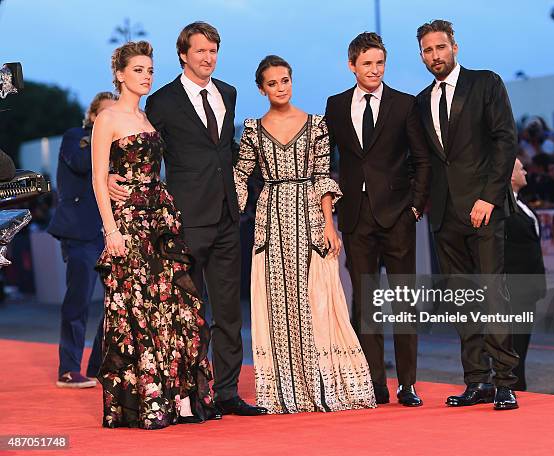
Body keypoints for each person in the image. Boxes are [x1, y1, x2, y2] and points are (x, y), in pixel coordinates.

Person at [107, 22, 265, 417]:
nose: (208, 58)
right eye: (200, 52)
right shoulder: (160, 101)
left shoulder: (227, 92)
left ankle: (227, 392)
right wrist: (111, 173)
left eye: (214, 51)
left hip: (228, 217)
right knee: (188, 313)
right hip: (182, 220)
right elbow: (138, 144)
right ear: (183, 55)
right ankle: (192, 396)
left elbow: (225, 150)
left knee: (229, 312)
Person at [234, 55, 376, 414]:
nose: (280, 88)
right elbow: (240, 175)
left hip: (310, 219)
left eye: (285, 80)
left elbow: (324, 176)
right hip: (270, 222)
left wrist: (330, 224)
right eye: (272, 83)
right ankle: (283, 391)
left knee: (318, 302)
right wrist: (217, 214)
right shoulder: (252, 128)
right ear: (261, 88)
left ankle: (324, 385)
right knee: (276, 305)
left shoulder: (316, 125)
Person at [92, 41, 214, 429]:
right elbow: (98, 178)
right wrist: (110, 230)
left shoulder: (147, 119)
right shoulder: (108, 118)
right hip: (127, 224)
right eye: (138, 70)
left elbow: (154, 171)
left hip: (160, 222)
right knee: (138, 311)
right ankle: (149, 401)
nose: (146, 76)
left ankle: (178, 397)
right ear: (120, 74)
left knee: (174, 307)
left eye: (149, 70)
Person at [415, 19, 520, 410]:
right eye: (427, 50)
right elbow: (425, 160)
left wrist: (490, 197)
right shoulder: (422, 100)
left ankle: (505, 382)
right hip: (444, 214)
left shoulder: (485, 83)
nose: (435, 56)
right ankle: (477, 381)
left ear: (454, 48)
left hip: (484, 208)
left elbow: (505, 139)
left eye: (440, 47)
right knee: (463, 299)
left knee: (493, 293)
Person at [325, 32, 431, 407]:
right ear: (352, 65)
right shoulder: (335, 106)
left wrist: (415, 209)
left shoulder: (405, 104)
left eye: (380, 63)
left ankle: (407, 384)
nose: (374, 70)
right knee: (365, 306)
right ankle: (373, 384)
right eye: (367, 63)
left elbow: (422, 160)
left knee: (404, 303)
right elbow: (325, 161)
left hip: (399, 217)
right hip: (356, 219)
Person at [48, 92, 116, 388]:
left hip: (110, 233)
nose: (110, 119)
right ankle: (68, 368)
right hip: (80, 233)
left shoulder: (118, 147)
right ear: (92, 116)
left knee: (116, 303)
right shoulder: (77, 137)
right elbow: (78, 162)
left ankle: (99, 365)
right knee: (78, 300)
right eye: (105, 114)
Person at [506, 158, 546, 391]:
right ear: (510, 176)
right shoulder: (503, 205)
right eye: (521, 169)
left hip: (527, 286)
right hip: (513, 285)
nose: (525, 171)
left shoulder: (521, 204)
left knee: (521, 339)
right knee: (513, 338)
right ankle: (511, 383)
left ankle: (516, 381)